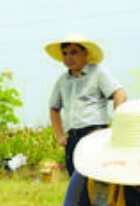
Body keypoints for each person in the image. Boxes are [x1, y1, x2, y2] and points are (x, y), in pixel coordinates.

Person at [46, 33, 128, 176]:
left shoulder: (98, 73)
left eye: (74, 52)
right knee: (75, 178)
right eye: (65, 53)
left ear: (85, 53)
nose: (69, 58)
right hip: (73, 137)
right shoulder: (62, 81)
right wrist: (60, 136)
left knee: (98, 176)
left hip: (95, 133)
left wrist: (118, 124)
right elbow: (54, 108)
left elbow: (120, 94)